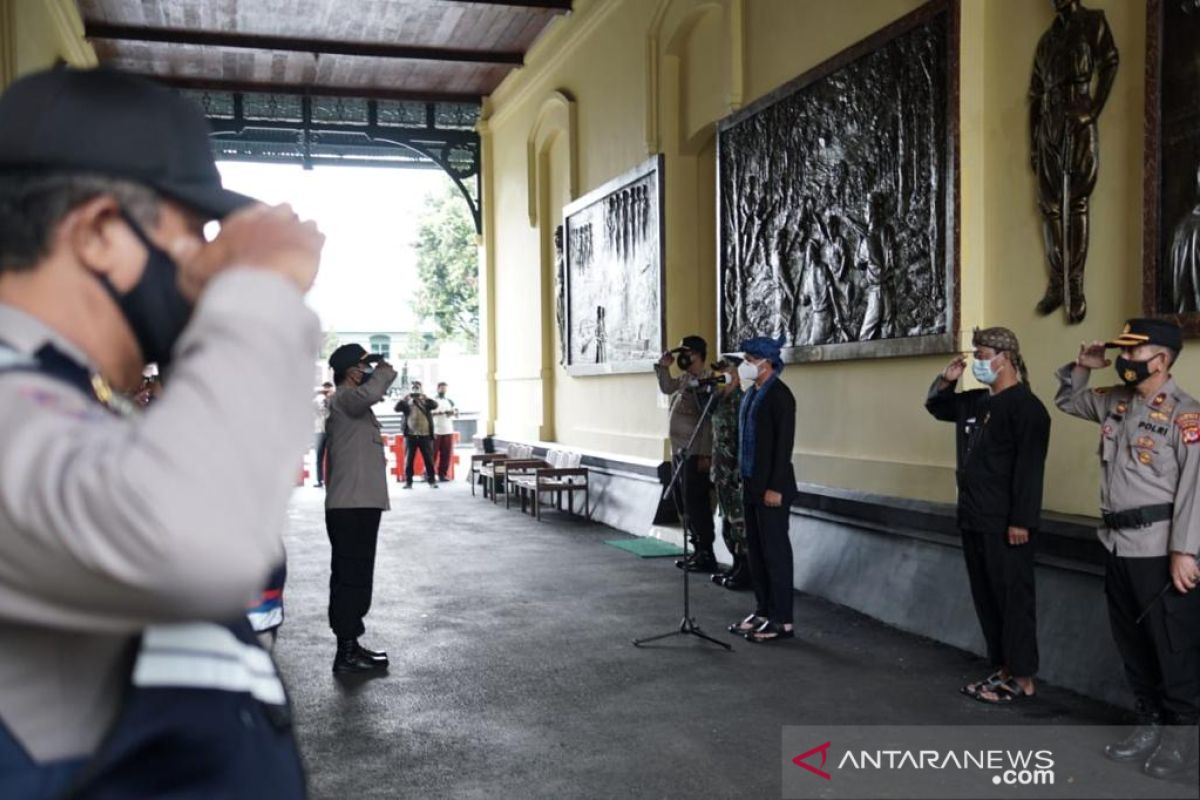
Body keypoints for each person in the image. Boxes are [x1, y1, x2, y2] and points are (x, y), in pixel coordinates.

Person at [0, 68, 321, 798]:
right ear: (101, 232)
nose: (205, 260)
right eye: (192, 230)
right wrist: (258, 288)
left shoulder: (58, 390)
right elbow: (199, 538)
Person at [1055, 318, 1200, 779]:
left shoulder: (1185, 414)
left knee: (1171, 648)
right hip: (1117, 545)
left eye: (1133, 353)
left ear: (1161, 360)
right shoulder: (1116, 401)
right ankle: (1149, 724)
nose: (1124, 360)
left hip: (1160, 551)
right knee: (1132, 644)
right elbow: (1067, 400)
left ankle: (1181, 738)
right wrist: (1083, 366)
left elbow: (1197, 490)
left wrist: (1185, 552)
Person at [925, 328, 1051, 705]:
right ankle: (1004, 667)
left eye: (982, 354)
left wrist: (1021, 521)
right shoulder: (976, 402)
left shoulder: (1028, 409)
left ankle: (1023, 677)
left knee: (1013, 601)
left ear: (1006, 358)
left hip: (1006, 524)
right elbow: (937, 407)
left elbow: (1030, 470)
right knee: (988, 598)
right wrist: (945, 381)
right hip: (974, 517)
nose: (977, 362)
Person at [1029, 0, 1119, 323]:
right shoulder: (1046, 40)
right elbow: (1035, 97)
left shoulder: (1093, 22)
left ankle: (1075, 285)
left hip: (1077, 114)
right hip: (1049, 123)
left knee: (1077, 200)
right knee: (1049, 205)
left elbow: (1110, 62)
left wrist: (1092, 110)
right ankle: (1057, 280)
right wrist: (1034, 143)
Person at [325, 343, 398, 673]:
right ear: (353, 372)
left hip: (359, 505)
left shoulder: (353, 405)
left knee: (356, 576)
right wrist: (383, 369)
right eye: (363, 366)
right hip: (351, 507)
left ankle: (351, 645)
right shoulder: (343, 399)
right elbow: (370, 393)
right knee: (351, 578)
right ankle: (347, 653)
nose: (369, 370)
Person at [727, 336, 797, 643]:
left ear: (766, 363)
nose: (745, 365)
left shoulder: (780, 396)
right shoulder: (750, 394)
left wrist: (775, 487)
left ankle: (783, 619)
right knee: (755, 551)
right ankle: (763, 609)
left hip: (772, 488)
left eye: (749, 359)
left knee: (775, 553)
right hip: (750, 482)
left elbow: (784, 447)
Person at [655, 335, 718, 573]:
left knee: (697, 503)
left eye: (688, 352)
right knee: (684, 502)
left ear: (699, 354)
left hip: (695, 452)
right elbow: (666, 387)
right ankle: (696, 548)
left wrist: (704, 454)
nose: (684, 356)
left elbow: (707, 422)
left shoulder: (707, 380)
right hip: (680, 452)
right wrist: (663, 366)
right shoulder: (685, 378)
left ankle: (706, 553)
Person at [709, 356, 749, 590]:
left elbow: (745, 441)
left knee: (739, 524)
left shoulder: (741, 402)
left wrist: (738, 471)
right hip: (721, 471)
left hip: (734, 472)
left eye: (724, 371)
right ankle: (735, 566)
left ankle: (746, 570)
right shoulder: (719, 400)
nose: (719, 376)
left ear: (736, 374)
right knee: (727, 523)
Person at [395, 380, 439, 489]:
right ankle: (408, 482)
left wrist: (425, 397)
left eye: (417, 387)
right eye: (413, 388)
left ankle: (432, 481)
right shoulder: (407, 402)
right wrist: (404, 399)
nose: (415, 389)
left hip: (425, 435)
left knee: (429, 460)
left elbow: (435, 405)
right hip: (411, 435)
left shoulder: (426, 402)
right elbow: (396, 408)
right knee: (409, 460)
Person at [432, 381, 459, 482]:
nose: (443, 390)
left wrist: (453, 413)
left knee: (446, 454)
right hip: (436, 429)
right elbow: (429, 414)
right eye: (442, 388)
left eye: (445, 388)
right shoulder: (433, 400)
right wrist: (441, 412)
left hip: (448, 429)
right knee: (432, 454)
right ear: (438, 388)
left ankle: (442, 474)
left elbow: (456, 413)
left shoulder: (450, 401)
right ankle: (429, 474)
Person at [313, 380, 333, 487]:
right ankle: (319, 479)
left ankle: (330, 479)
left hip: (330, 431)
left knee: (332, 457)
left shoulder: (333, 400)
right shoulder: (317, 400)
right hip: (319, 431)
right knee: (319, 457)